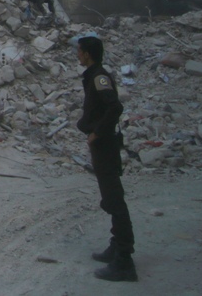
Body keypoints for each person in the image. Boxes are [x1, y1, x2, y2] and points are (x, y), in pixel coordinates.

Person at [76, 35, 137, 282]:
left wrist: (96, 133)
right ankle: (116, 245)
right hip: (102, 144)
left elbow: (115, 107)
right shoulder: (93, 75)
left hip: (105, 144)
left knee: (114, 199)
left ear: (88, 54)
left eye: (80, 51)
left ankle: (124, 259)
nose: (77, 55)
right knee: (110, 197)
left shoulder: (99, 77)